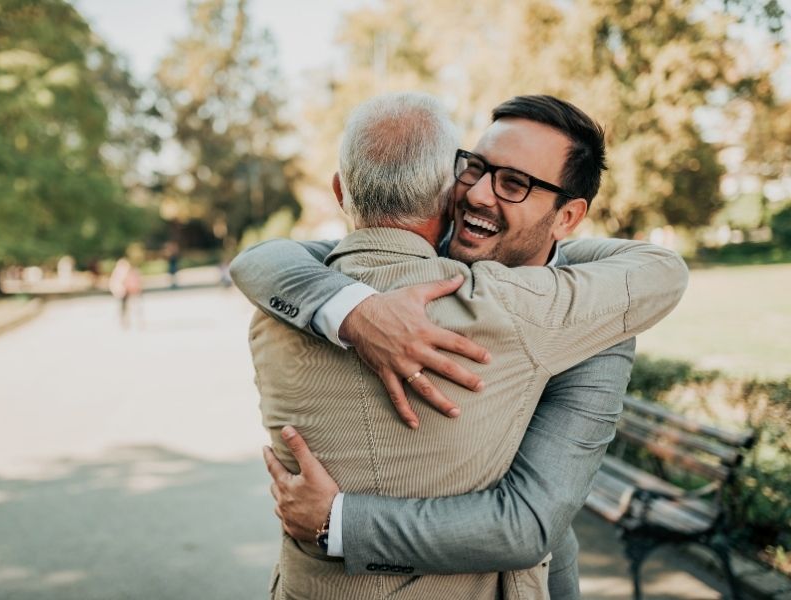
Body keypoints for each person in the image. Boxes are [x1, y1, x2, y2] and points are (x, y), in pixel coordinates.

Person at [232, 92, 688, 599]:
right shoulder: (373, 275)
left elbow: (527, 524)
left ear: (566, 217)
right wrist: (354, 311)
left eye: (513, 184)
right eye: (474, 168)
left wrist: (337, 522)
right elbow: (265, 260)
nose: (476, 195)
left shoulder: (593, 326)